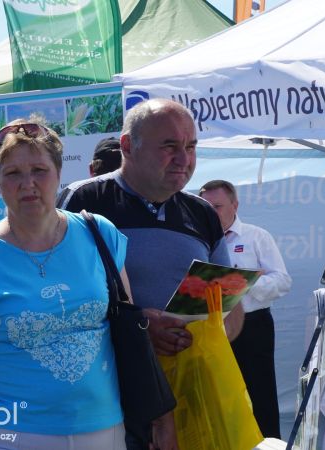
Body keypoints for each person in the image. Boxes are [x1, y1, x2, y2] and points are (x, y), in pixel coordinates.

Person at [0, 120, 131, 450]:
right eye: (13, 173)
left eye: (40, 169)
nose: (28, 184)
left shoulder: (101, 235)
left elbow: (126, 331)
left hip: (103, 431)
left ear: (59, 172)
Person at [58, 99, 243, 450]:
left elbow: (232, 311)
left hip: (188, 398)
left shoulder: (202, 213)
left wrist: (206, 333)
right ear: (128, 146)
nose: (184, 159)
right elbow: (56, 298)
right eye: (169, 146)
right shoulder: (84, 201)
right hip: (107, 399)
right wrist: (139, 329)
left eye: (190, 147)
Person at [199, 179, 292, 438]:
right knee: (214, 399)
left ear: (235, 205)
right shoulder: (196, 239)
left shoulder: (256, 236)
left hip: (252, 327)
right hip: (208, 329)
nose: (211, 212)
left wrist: (243, 283)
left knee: (258, 396)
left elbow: (283, 281)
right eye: (205, 207)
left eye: (216, 206)